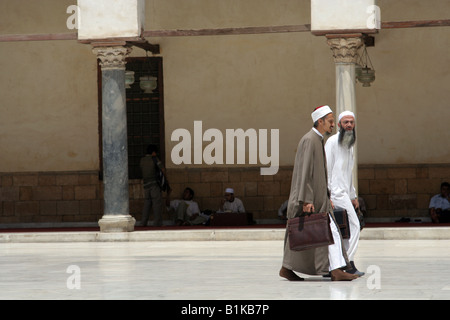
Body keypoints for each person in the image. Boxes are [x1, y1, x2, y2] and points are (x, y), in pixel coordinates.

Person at [280, 105, 357, 282]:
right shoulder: (310, 140)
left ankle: (333, 269)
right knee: (317, 232)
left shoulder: (318, 139)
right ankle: (335, 270)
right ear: (320, 122)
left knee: (326, 233)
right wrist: (307, 199)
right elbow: (305, 172)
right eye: (330, 121)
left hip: (320, 199)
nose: (332, 125)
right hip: (310, 199)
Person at [325, 110, 364, 277]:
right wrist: (327, 195)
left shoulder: (350, 144)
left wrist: (353, 195)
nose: (349, 125)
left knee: (348, 228)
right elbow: (326, 169)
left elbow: (349, 173)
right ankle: (347, 262)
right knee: (354, 225)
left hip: (344, 194)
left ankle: (344, 262)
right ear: (339, 124)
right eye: (346, 122)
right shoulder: (332, 142)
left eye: (351, 122)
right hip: (335, 193)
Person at [140, 144, 165, 227]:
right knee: (156, 204)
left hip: (146, 185)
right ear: (153, 152)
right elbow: (162, 170)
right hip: (154, 184)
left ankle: (143, 222)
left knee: (147, 205)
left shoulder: (142, 160)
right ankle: (157, 223)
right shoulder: (154, 159)